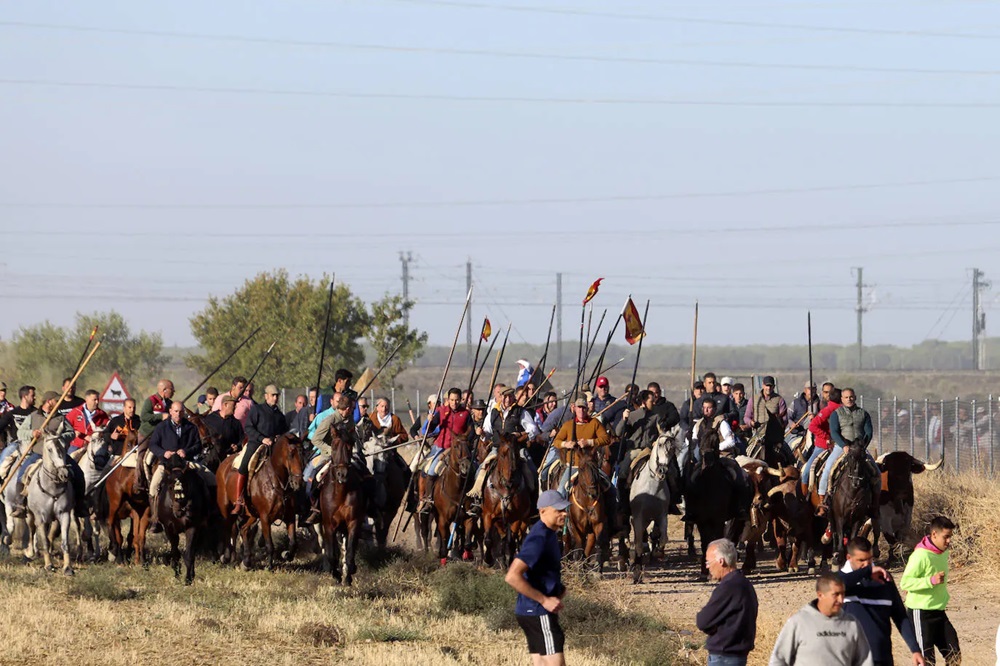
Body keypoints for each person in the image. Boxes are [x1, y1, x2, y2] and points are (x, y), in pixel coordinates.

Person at [505, 490, 569, 666]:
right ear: (542, 511)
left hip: (530, 611)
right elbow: (512, 576)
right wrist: (544, 600)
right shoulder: (539, 538)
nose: (564, 513)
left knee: (541, 662)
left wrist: (558, 590)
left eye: (564, 509)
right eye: (558, 510)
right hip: (537, 611)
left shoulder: (548, 534)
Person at [840, 537, 925, 666]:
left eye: (869, 559)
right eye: (861, 560)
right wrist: (867, 572)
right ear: (848, 558)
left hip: (882, 659)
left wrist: (915, 649)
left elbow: (900, 616)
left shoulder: (884, 580)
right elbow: (838, 584)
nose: (866, 564)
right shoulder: (839, 581)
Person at [769, 572, 874, 666]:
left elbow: (865, 660)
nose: (841, 600)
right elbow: (779, 659)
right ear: (820, 595)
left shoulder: (851, 624)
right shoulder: (799, 622)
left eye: (843, 594)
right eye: (836, 595)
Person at [13, 390, 88, 519]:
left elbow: (71, 432)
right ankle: (21, 505)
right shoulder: (33, 416)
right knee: (21, 475)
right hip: (38, 453)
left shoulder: (60, 418)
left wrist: (59, 438)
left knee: (79, 474)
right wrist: (32, 433)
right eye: (56, 400)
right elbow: (20, 433)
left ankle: (80, 505)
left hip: (58, 455)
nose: (59, 402)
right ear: (49, 401)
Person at [467, 386, 539, 514]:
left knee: (531, 470)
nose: (507, 399)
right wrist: (481, 432)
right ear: (500, 397)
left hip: (517, 449)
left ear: (513, 397)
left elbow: (533, 429)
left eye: (510, 396)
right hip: (497, 449)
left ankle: (533, 504)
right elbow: (487, 431)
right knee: (481, 470)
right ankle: (477, 502)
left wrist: (521, 434)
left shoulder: (520, 412)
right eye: (504, 396)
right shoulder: (493, 412)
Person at [900, 516, 960, 666]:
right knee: (926, 662)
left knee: (954, 657)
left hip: (939, 611)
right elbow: (905, 583)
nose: (949, 541)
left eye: (950, 537)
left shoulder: (943, 552)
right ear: (934, 534)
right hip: (921, 614)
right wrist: (930, 581)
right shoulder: (920, 556)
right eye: (946, 537)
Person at [696, 538, 759, 666]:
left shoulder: (728, 587)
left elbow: (702, 621)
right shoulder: (745, 584)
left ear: (721, 561)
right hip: (736, 655)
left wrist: (714, 627)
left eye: (708, 562)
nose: (707, 566)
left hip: (723, 657)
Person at [147, 401, 202, 533]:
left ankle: (208, 513)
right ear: (170, 412)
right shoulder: (161, 427)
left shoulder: (191, 427)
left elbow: (198, 445)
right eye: (176, 411)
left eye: (181, 411)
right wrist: (163, 453)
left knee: (210, 478)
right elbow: (153, 444)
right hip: (166, 465)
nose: (178, 414)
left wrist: (186, 451)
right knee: (154, 486)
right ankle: (155, 519)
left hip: (186, 464)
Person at [232, 385, 288, 514]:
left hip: (274, 447)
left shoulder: (280, 415)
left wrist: (279, 437)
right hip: (256, 444)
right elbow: (249, 428)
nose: (275, 398)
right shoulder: (257, 409)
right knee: (244, 465)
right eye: (273, 395)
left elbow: (284, 431)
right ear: (266, 396)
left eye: (277, 395)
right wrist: (262, 439)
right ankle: (239, 500)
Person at [818, 387, 874, 513]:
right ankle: (822, 501)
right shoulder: (836, 414)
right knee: (828, 469)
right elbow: (834, 432)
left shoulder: (863, 413)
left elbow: (869, 432)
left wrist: (862, 446)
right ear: (842, 399)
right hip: (841, 447)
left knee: (875, 470)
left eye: (851, 397)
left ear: (855, 397)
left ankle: (875, 503)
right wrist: (844, 445)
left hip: (859, 448)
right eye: (846, 397)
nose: (849, 399)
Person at [548, 398, 611, 497]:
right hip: (573, 466)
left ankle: (613, 511)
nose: (581, 410)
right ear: (575, 408)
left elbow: (606, 439)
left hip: (591, 466)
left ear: (587, 409)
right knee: (561, 491)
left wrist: (589, 442)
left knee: (610, 488)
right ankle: (562, 511)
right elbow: (556, 441)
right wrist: (566, 444)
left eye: (583, 408)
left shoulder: (594, 423)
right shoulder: (568, 425)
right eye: (579, 408)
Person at [804, 387, 841, 498]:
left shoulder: (828, 410)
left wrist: (826, 437)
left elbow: (812, 425)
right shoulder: (845, 410)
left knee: (806, 471)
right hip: (841, 445)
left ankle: (804, 497)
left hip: (824, 446)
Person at [744, 376, 789, 464]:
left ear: (774, 387)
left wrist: (778, 424)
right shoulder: (753, 399)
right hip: (758, 435)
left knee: (788, 454)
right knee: (747, 455)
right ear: (763, 385)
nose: (768, 388)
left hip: (774, 437)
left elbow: (785, 420)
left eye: (771, 386)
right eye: (767, 386)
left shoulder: (780, 400)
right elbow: (746, 417)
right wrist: (751, 423)